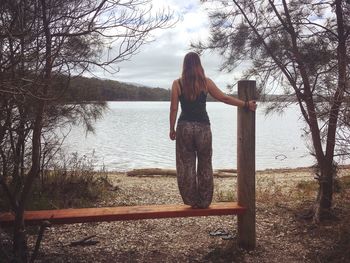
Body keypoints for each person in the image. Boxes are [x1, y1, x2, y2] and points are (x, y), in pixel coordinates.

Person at [169, 52, 257, 209]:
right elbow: (224, 98)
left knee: (186, 165)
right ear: (198, 65)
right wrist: (245, 104)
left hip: (185, 128)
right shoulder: (206, 82)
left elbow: (174, 108)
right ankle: (203, 201)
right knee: (205, 163)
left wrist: (172, 128)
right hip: (203, 128)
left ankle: (191, 200)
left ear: (184, 65)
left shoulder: (177, 83)